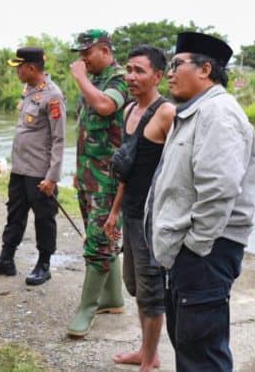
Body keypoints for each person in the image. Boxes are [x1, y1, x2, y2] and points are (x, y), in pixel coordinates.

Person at [147, 32, 255, 371]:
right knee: (189, 345)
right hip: (191, 253)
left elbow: (219, 188)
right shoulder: (195, 112)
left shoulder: (218, 114)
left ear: (205, 69)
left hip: (205, 253)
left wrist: (194, 246)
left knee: (202, 353)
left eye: (177, 64)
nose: (169, 72)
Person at [103, 45, 175, 371]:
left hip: (153, 218)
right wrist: (114, 212)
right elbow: (127, 168)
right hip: (130, 211)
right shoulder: (129, 109)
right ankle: (148, 351)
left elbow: (179, 170)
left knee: (152, 290)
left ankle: (150, 359)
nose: (131, 77)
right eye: (128, 69)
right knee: (135, 286)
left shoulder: (167, 113)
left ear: (158, 76)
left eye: (139, 71)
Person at [0, 47, 66, 286]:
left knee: (44, 219)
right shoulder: (28, 90)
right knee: (14, 214)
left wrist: (52, 177)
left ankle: (44, 264)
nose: (16, 71)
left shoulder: (53, 96)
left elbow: (59, 139)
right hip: (19, 169)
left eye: (19, 66)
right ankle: (6, 259)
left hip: (40, 173)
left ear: (31, 67)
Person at [66, 29, 128, 337]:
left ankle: (86, 309)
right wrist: (79, 169)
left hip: (109, 179)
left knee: (97, 241)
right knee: (104, 238)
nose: (82, 60)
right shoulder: (94, 82)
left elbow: (106, 107)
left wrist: (80, 79)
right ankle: (113, 298)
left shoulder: (119, 79)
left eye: (86, 53)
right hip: (89, 175)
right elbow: (87, 128)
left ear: (104, 50)